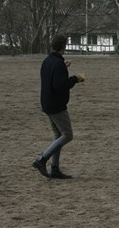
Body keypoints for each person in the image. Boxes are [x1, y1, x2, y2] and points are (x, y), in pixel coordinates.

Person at [32, 35, 84, 179]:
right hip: (56, 105)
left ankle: (55, 169)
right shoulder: (57, 63)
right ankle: (42, 159)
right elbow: (60, 85)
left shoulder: (48, 60)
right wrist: (75, 79)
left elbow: (52, 76)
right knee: (67, 135)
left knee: (58, 135)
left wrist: (63, 68)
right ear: (64, 46)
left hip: (47, 103)